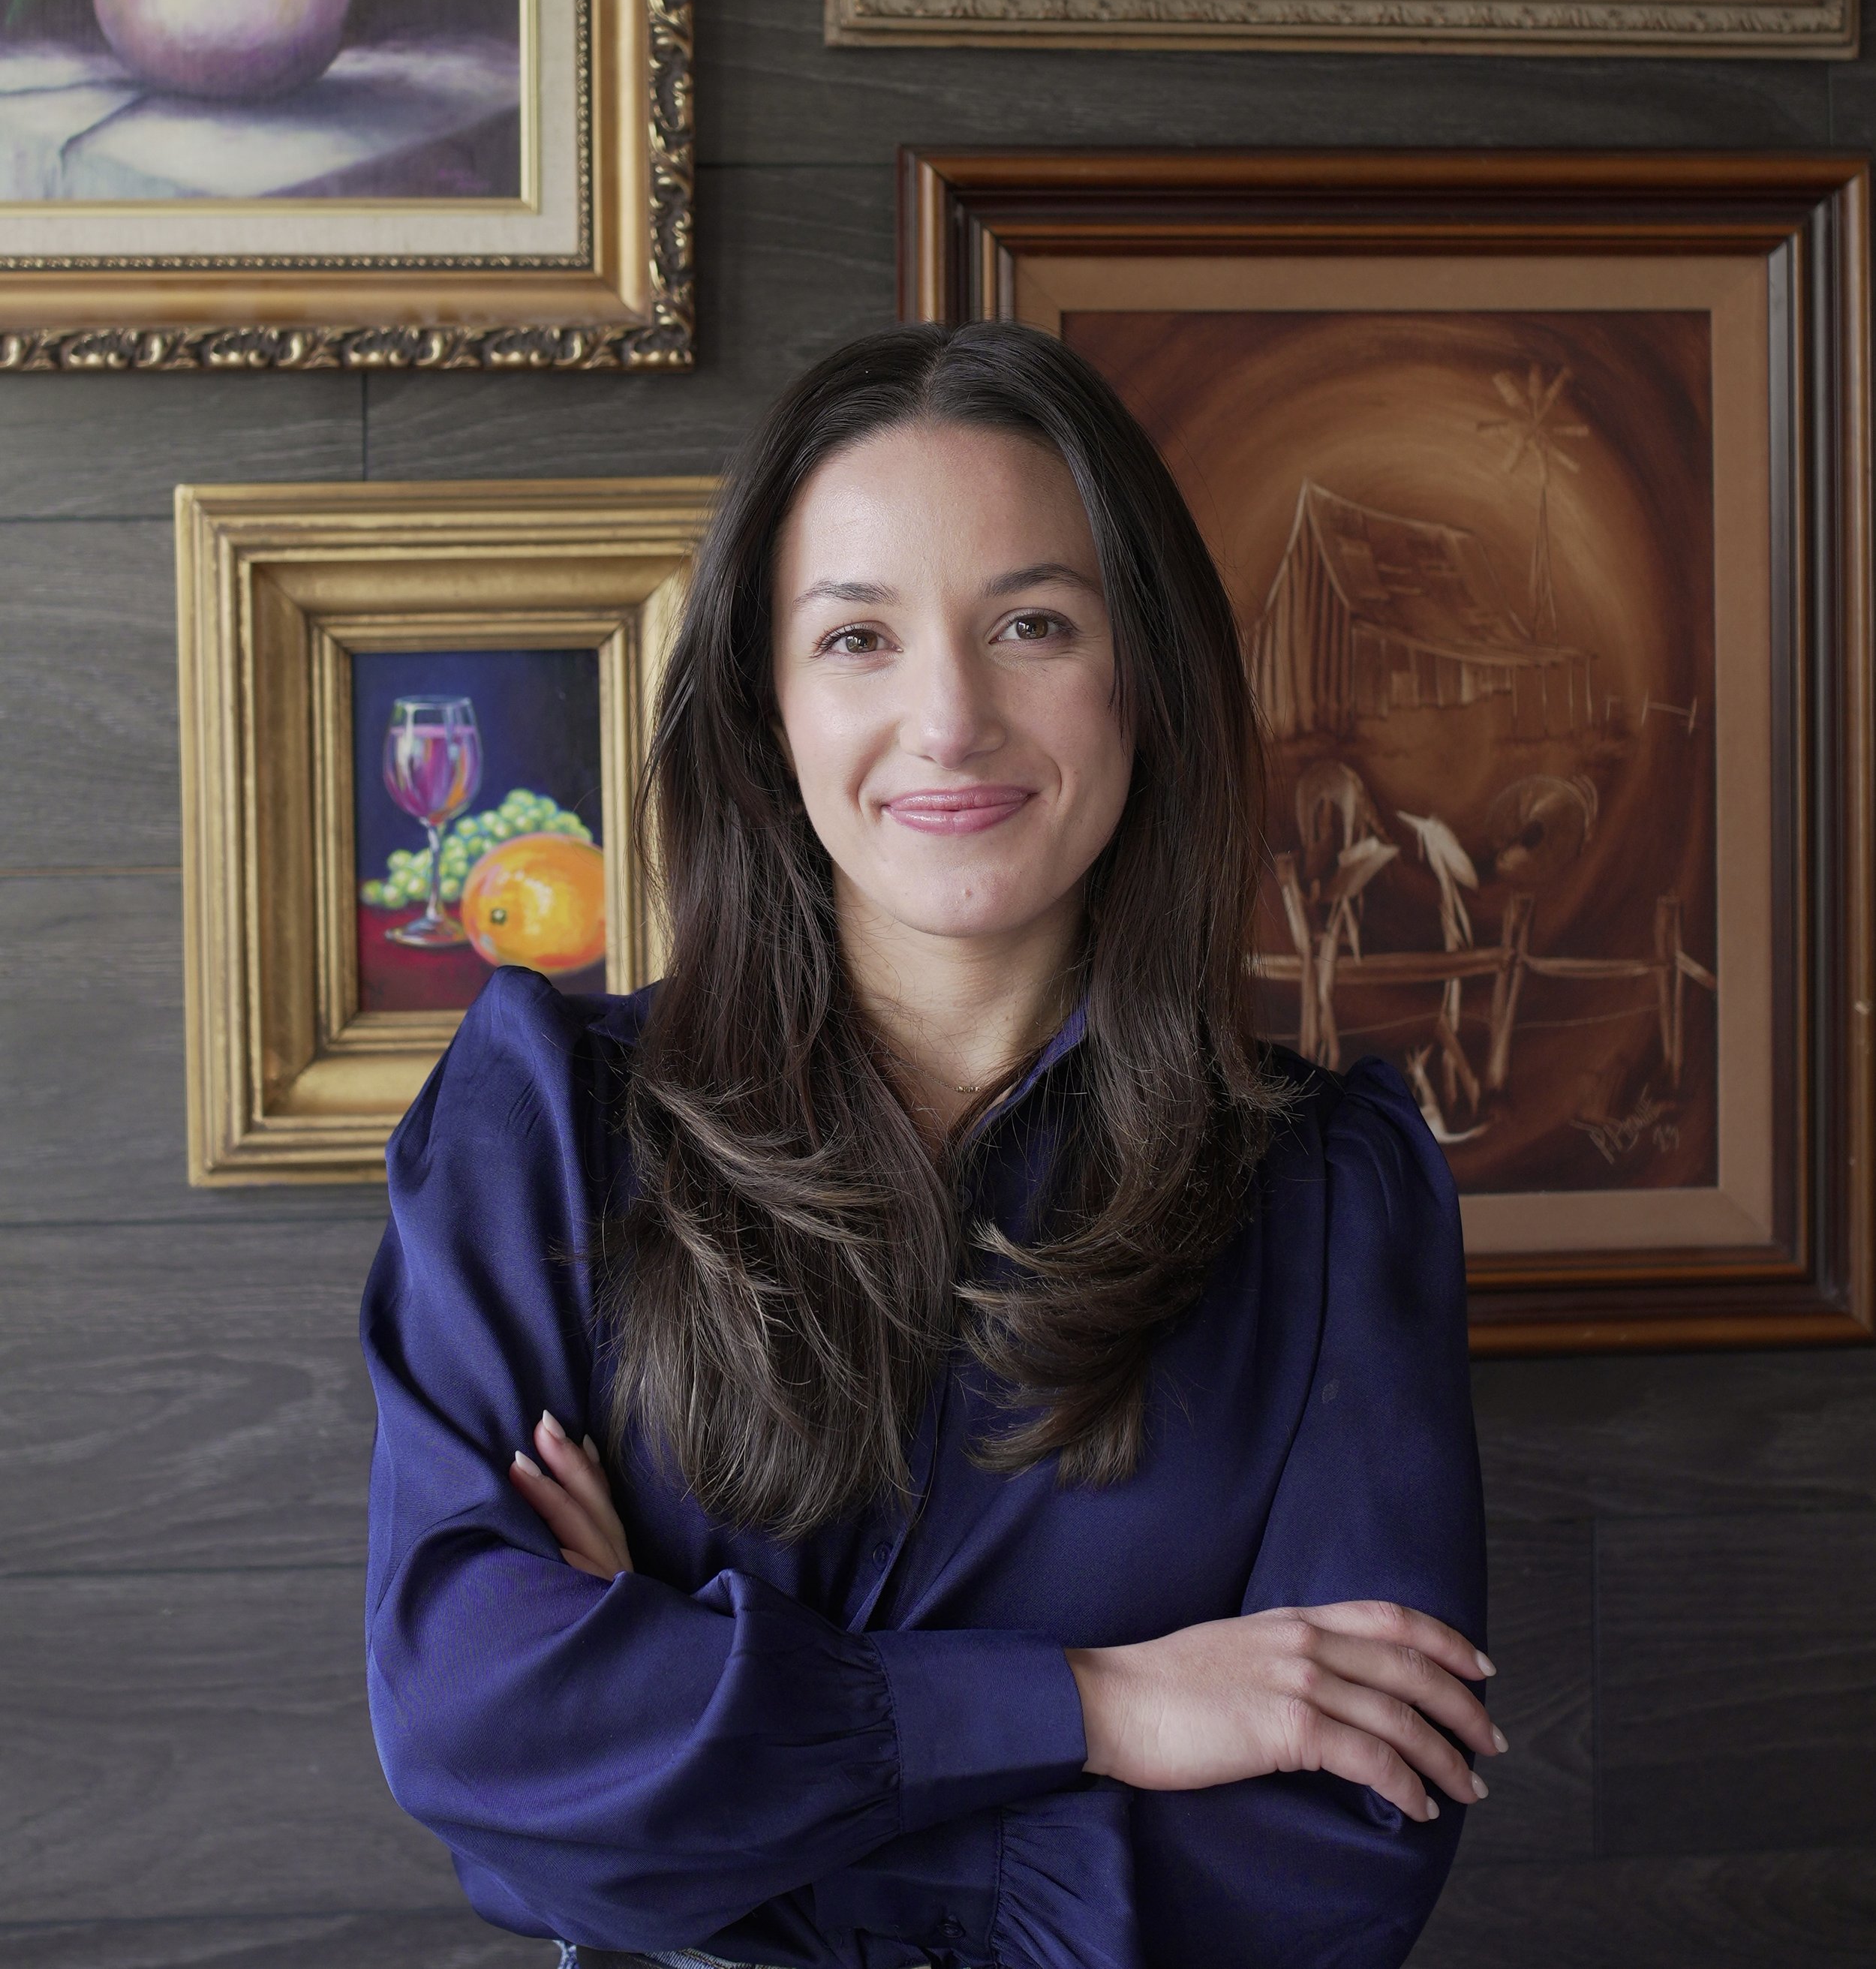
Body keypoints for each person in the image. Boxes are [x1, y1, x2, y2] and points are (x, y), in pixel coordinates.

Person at [360, 323, 1497, 1969]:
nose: (948, 717)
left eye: (1030, 623)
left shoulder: (1328, 1198)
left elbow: (1323, 1872)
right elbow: (483, 1732)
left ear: (1142, 677)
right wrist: (1094, 1704)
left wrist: (691, 1791)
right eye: (857, 638)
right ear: (766, 706)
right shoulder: (546, 1125)